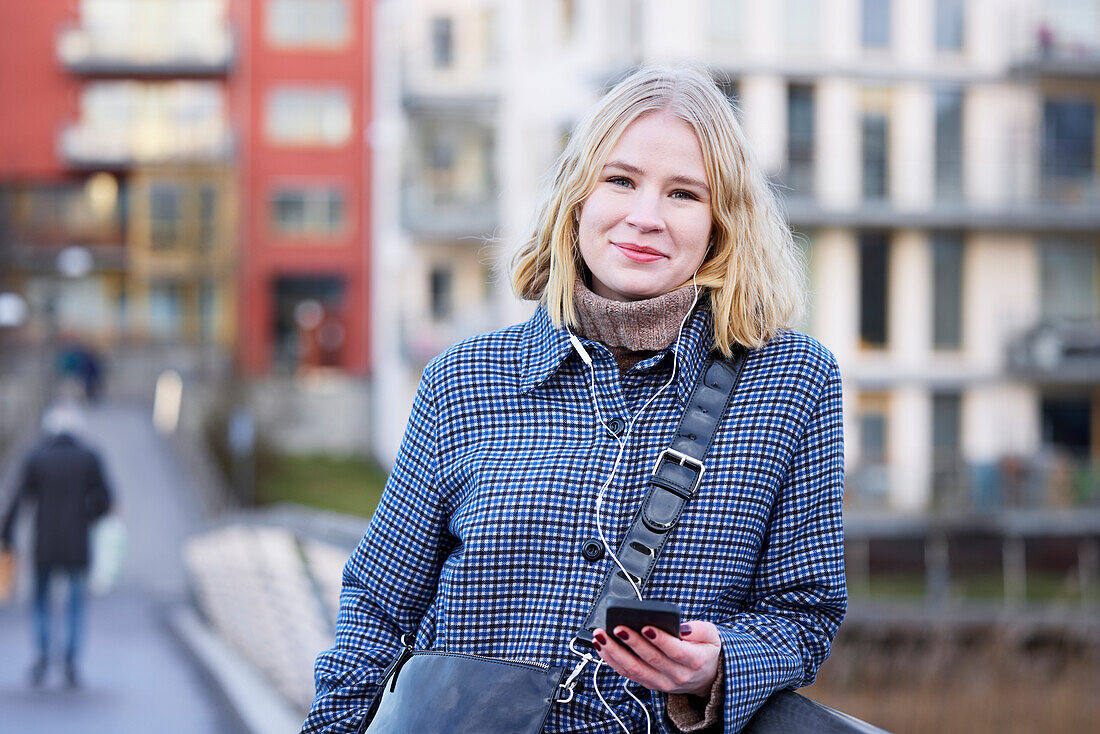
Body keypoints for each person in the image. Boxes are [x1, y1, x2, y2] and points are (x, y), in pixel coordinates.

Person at [303, 65, 846, 733]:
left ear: (721, 224)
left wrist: (721, 666)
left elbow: (804, 611)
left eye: (683, 194)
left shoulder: (795, 382)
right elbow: (379, 608)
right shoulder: (465, 380)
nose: (644, 218)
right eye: (620, 180)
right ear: (577, 197)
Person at [1, 404, 113, 687]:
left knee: (40, 599)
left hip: (45, 542)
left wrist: (6, 535)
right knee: (75, 602)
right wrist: (89, 515)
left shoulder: (37, 457)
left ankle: (42, 654)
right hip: (77, 542)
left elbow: (18, 499)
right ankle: (71, 661)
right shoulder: (89, 457)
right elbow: (106, 499)